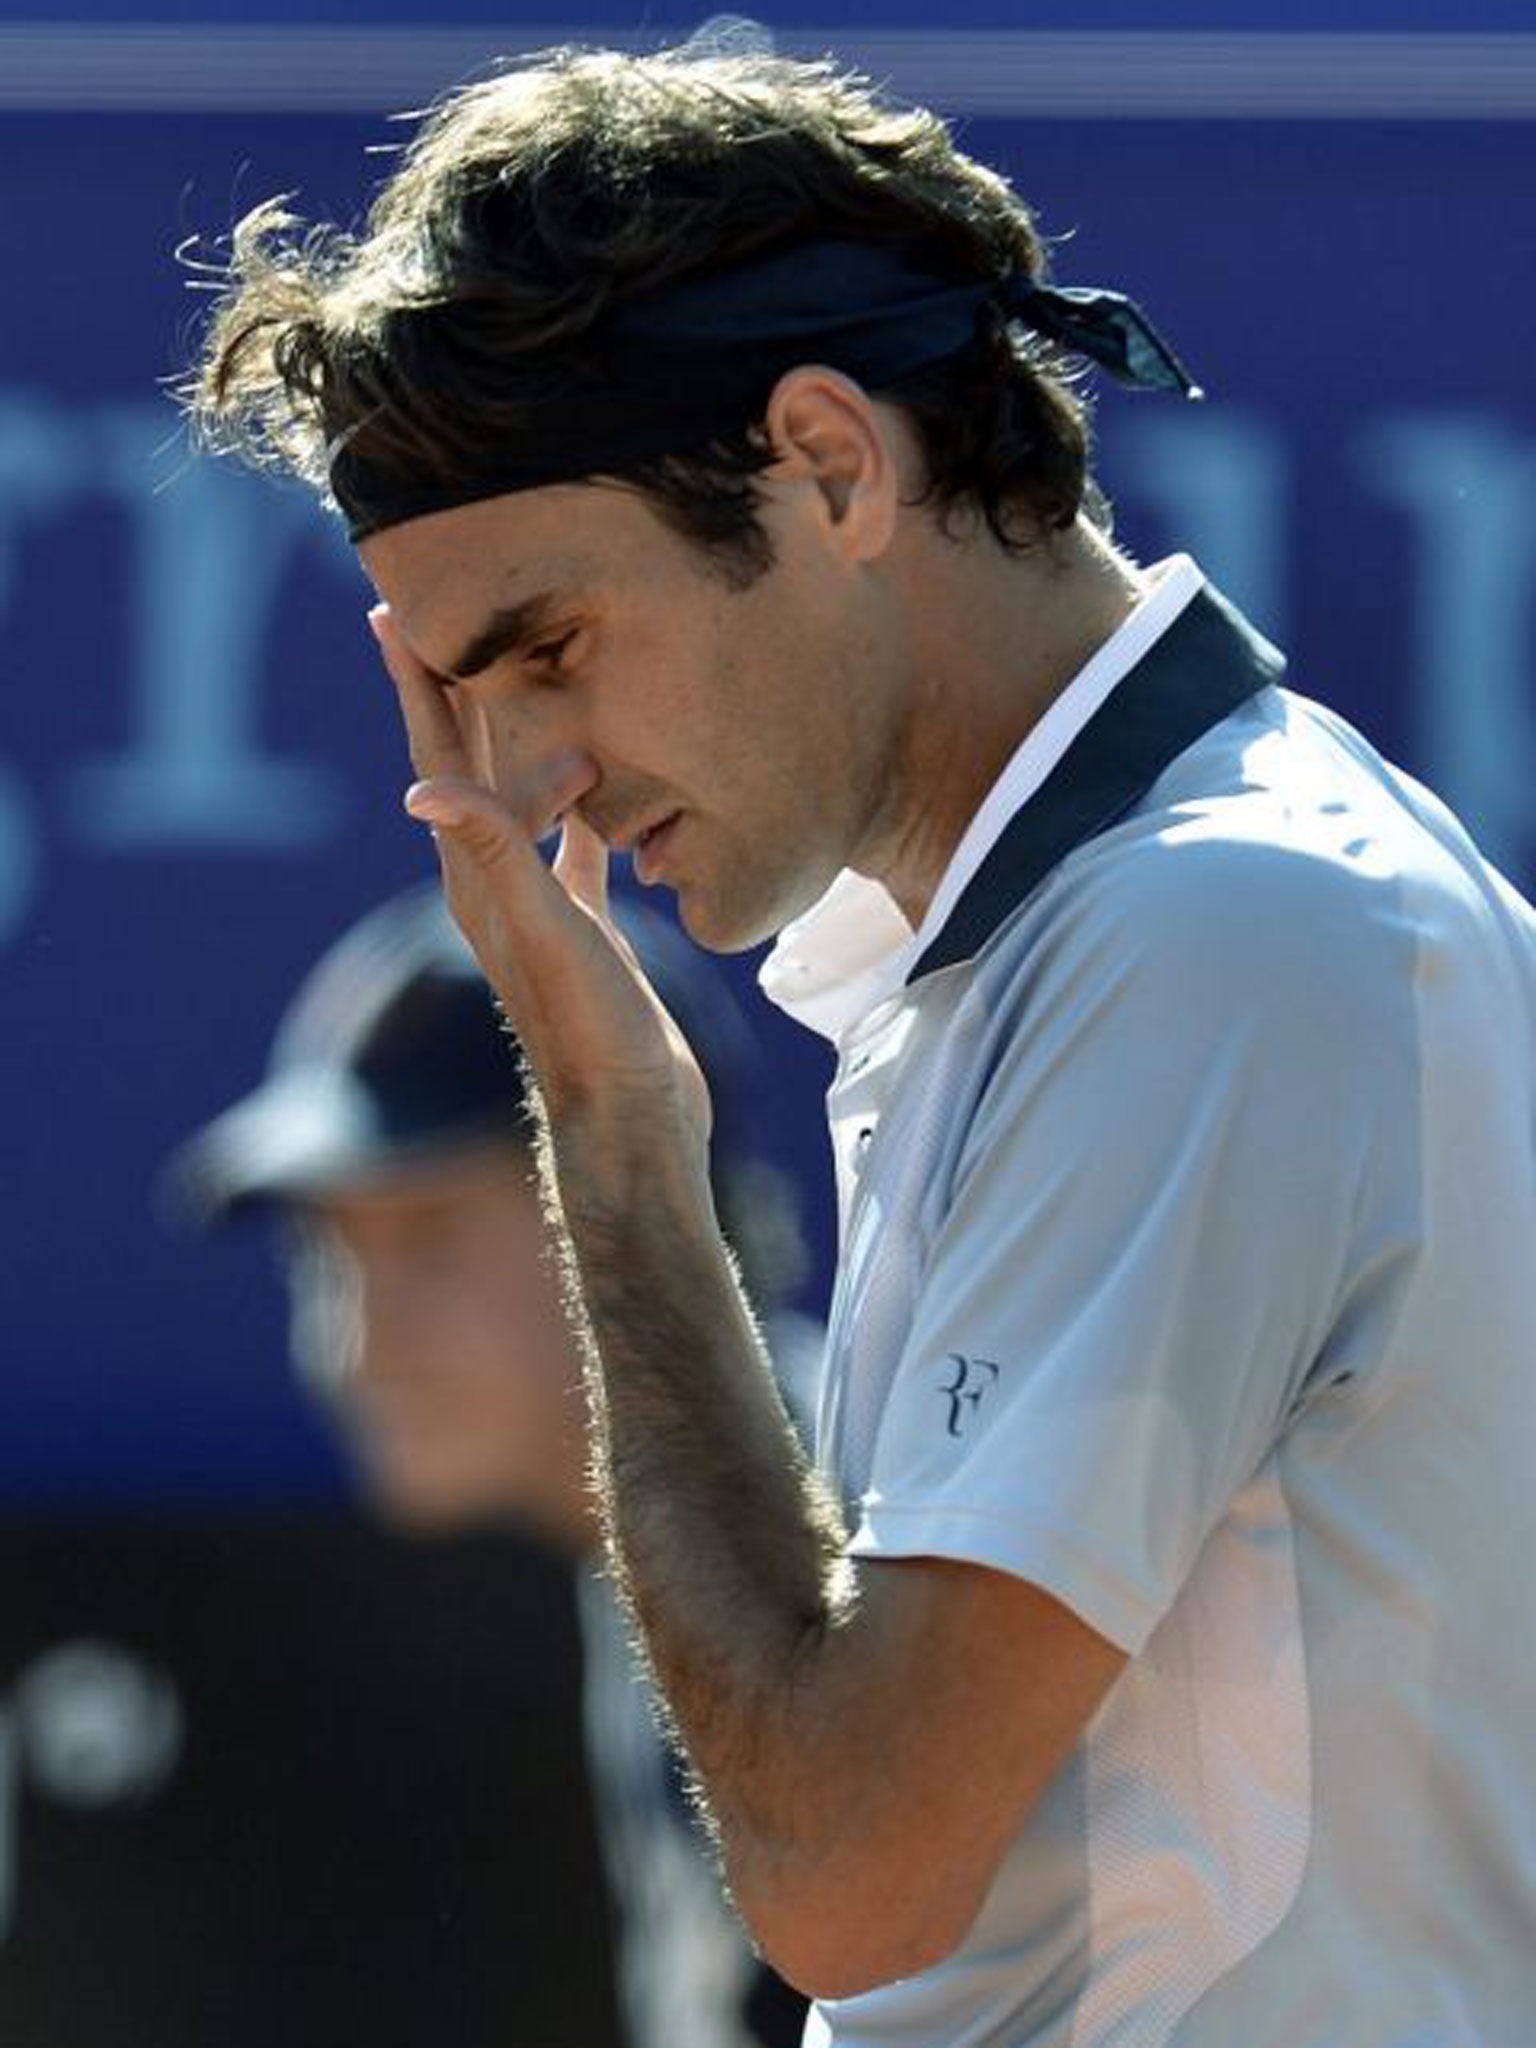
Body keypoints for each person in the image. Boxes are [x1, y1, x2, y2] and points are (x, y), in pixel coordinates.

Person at [184, 40, 1536, 2046]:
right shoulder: (1116, 928)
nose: (526, 769)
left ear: (830, 460)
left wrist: (615, 1133)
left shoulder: (1210, 933)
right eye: (470, 693)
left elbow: (850, 1870)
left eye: (547, 643)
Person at [166, 884, 814, 2048]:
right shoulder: (684, 1529)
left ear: (632, 1202)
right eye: (329, 1254)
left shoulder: (816, 1529)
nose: (360, 1344)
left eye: (429, 1240)